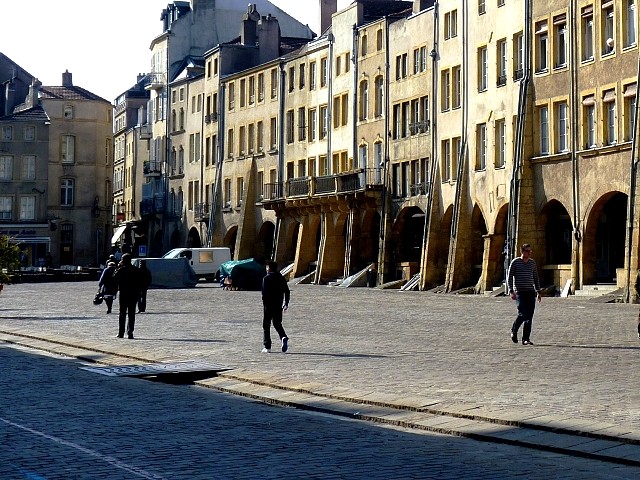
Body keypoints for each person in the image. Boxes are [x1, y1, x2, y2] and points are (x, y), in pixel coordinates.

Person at [507, 243, 542, 346]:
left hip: (530, 292)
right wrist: (511, 291)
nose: (529, 253)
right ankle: (514, 330)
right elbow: (509, 277)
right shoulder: (515, 262)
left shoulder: (532, 263)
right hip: (520, 292)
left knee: (529, 316)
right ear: (522, 252)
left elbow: (535, 277)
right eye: (527, 251)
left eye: (530, 251)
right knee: (522, 313)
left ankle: (526, 338)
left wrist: (538, 292)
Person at [261, 261, 290, 353]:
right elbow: (287, 291)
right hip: (278, 305)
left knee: (266, 325)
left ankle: (267, 346)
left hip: (269, 305)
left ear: (269, 268)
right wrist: (286, 303)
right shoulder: (281, 277)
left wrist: (265, 304)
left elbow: (264, 294)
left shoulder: (266, 278)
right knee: (277, 323)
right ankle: (283, 337)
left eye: (267, 267)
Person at [112, 253, 142, 339]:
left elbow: (114, 278)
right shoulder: (136, 270)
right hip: (133, 293)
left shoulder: (121, 270)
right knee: (131, 314)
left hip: (124, 293)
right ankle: (130, 333)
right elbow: (141, 281)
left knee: (122, 313)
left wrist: (118, 268)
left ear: (123, 261)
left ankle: (121, 333)